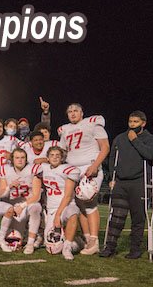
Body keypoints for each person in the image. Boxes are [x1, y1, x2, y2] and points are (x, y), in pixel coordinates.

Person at [101, 111, 153, 259]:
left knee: (138, 218)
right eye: (130, 122)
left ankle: (135, 250)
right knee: (116, 217)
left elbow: (150, 154)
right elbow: (112, 157)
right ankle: (109, 248)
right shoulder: (120, 138)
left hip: (139, 183)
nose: (132, 125)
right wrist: (112, 175)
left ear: (143, 123)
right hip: (121, 182)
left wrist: (135, 141)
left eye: (135, 122)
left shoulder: (151, 139)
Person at [58, 103, 109, 255]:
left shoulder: (93, 124)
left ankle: (94, 241)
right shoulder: (65, 129)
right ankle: (88, 240)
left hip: (89, 166)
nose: (73, 113)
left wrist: (95, 165)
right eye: (70, 111)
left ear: (82, 113)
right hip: (73, 170)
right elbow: (63, 152)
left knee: (89, 201)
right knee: (79, 205)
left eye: (75, 111)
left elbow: (105, 146)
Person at [0, 148, 43, 254]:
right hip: (12, 205)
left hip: (27, 204)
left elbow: (36, 196)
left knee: (36, 207)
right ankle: (1, 238)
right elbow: (2, 195)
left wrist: (22, 206)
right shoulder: (5, 169)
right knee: (17, 236)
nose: (20, 160)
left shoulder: (34, 169)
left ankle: (31, 243)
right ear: (12, 159)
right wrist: (9, 187)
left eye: (22, 158)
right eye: (17, 157)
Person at [41, 146, 82, 260]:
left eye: (57, 156)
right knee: (53, 248)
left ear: (62, 158)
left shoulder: (68, 170)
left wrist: (58, 215)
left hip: (67, 205)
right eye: (52, 155)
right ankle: (76, 240)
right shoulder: (44, 168)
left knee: (73, 214)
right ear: (47, 158)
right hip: (51, 208)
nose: (54, 158)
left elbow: (68, 195)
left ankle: (68, 247)